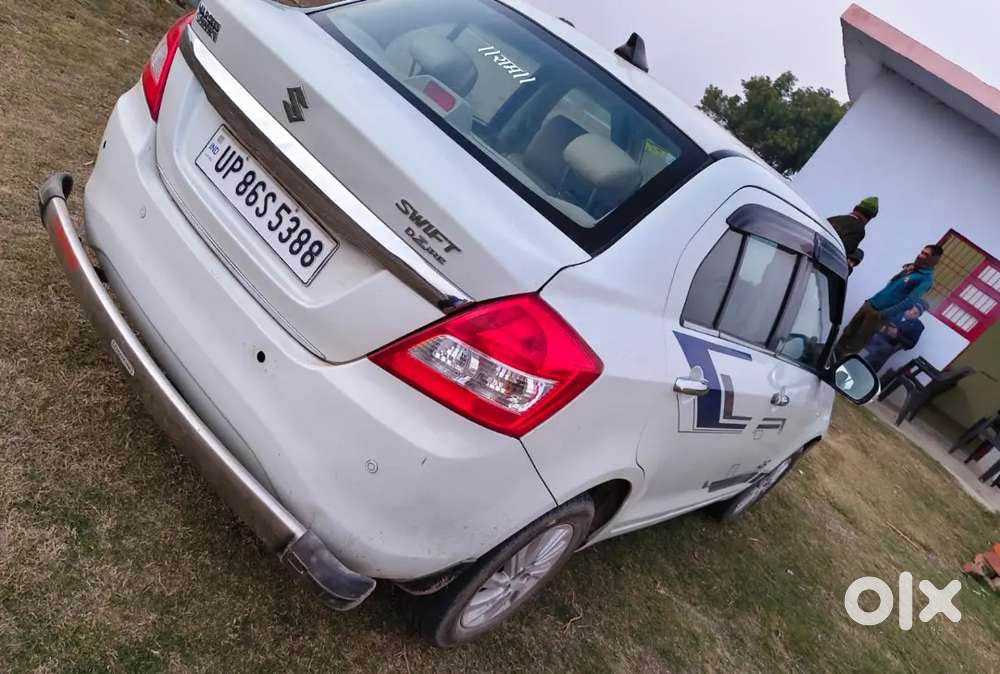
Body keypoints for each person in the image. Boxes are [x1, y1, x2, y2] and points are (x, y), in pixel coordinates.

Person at [836, 244, 943, 356]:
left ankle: (837, 363)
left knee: (856, 342)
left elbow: (909, 302)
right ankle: (829, 357)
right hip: (871, 304)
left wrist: (884, 314)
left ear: (933, 260)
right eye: (921, 252)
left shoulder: (926, 279)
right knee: (848, 332)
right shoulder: (911, 269)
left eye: (925, 254)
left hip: (878, 314)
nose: (920, 255)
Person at [860, 300, 927, 371]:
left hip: (889, 343)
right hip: (876, 333)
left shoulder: (918, 326)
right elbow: (881, 316)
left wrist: (897, 335)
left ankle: (865, 368)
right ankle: (854, 355)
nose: (911, 313)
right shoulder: (897, 310)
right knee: (864, 327)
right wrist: (881, 325)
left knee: (884, 349)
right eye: (910, 309)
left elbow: (911, 344)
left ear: (918, 316)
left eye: (915, 313)